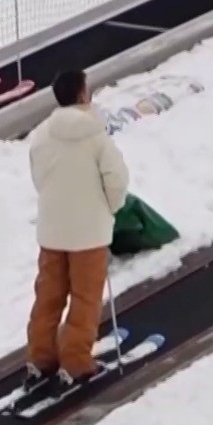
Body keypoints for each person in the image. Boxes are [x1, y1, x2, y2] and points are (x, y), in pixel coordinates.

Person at [23, 69, 130, 395]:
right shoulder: (96, 135)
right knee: (85, 298)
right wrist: (109, 208)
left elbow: (38, 177)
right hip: (89, 233)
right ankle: (75, 361)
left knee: (48, 295)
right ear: (83, 95)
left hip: (52, 231)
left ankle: (40, 357)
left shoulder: (42, 134)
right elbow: (117, 180)